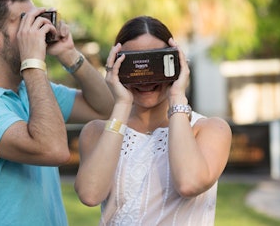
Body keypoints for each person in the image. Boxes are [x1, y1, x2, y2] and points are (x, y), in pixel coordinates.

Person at [0, 0, 113, 226]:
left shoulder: (29, 90)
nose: (36, 30)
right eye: (25, 22)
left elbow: (105, 108)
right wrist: (33, 62)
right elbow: (54, 150)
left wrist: (68, 54)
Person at [74, 16, 232, 225]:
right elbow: (90, 194)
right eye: (134, 64)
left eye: (155, 62)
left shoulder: (210, 129)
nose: (146, 77)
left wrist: (177, 96)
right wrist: (121, 104)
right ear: (116, 66)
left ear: (175, 62)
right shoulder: (96, 132)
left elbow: (189, 183)